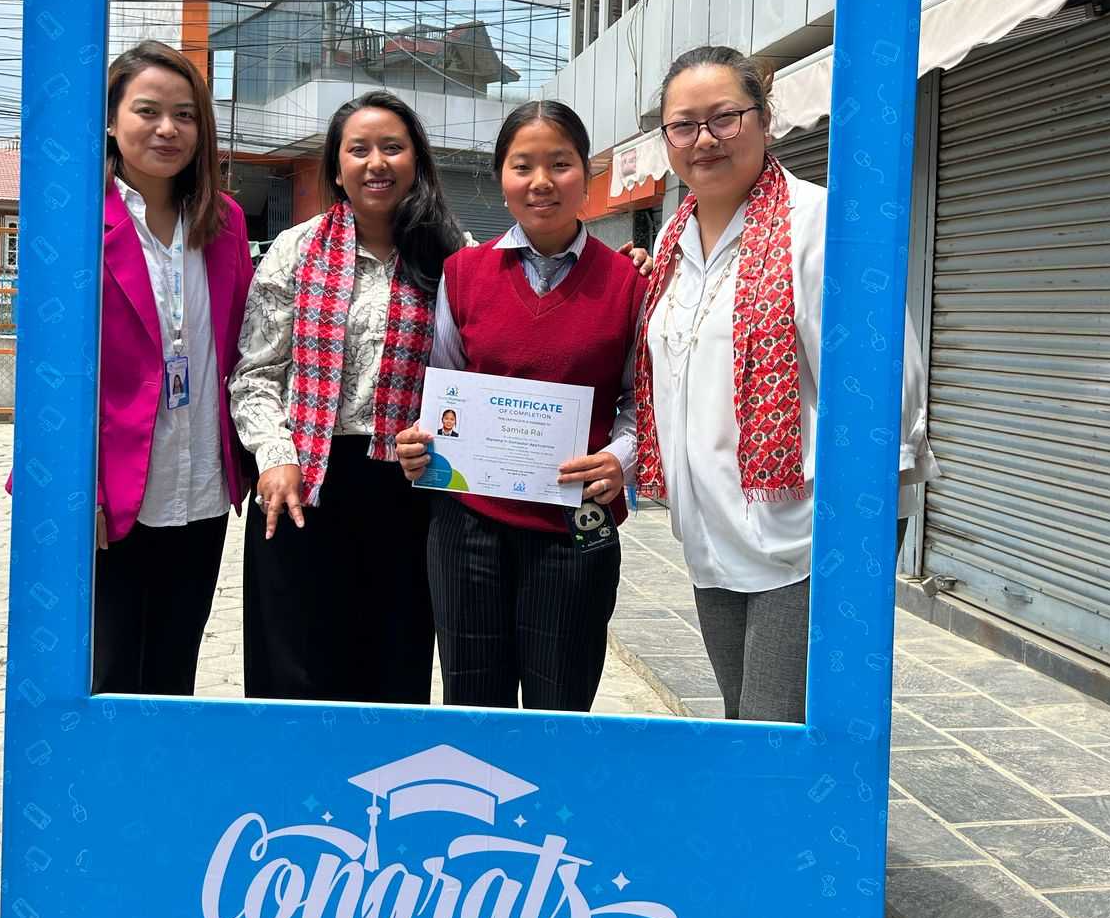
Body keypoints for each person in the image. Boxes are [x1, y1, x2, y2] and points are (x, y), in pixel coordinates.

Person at [635, 45, 938, 723]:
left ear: (765, 119)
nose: (705, 139)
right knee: (743, 725)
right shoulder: (671, 245)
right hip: (711, 538)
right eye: (683, 125)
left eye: (725, 117)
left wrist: (860, 546)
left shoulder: (822, 225)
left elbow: (887, 393)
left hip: (806, 542)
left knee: (775, 735)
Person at [397, 100, 647, 713]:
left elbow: (640, 399)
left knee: (560, 706)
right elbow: (446, 387)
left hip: (575, 524)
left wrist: (620, 458)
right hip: (468, 527)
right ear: (500, 177)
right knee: (472, 704)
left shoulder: (627, 283)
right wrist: (422, 442)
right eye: (523, 165)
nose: (541, 182)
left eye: (560, 164)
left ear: (587, 173)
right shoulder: (463, 273)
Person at [229, 91, 464, 704]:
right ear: (337, 167)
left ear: (417, 161)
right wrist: (274, 456)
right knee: (295, 674)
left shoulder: (452, 255)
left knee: (393, 670)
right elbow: (255, 373)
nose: (376, 163)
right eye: (358, 150)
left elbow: (478, 369)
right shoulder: (295, 249)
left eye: (392, 148)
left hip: (408, 488)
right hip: (302, 483)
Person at [93, 40, 254, 695]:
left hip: (200, 487)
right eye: (148, 111)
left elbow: (243, 347)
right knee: (105, 675)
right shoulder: (79, 217)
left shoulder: (225, 221)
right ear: (110, 121)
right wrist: (77, 490)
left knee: (172, 671)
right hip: (108, 495)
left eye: (185, 115)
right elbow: (50, 373)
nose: (168, 129)